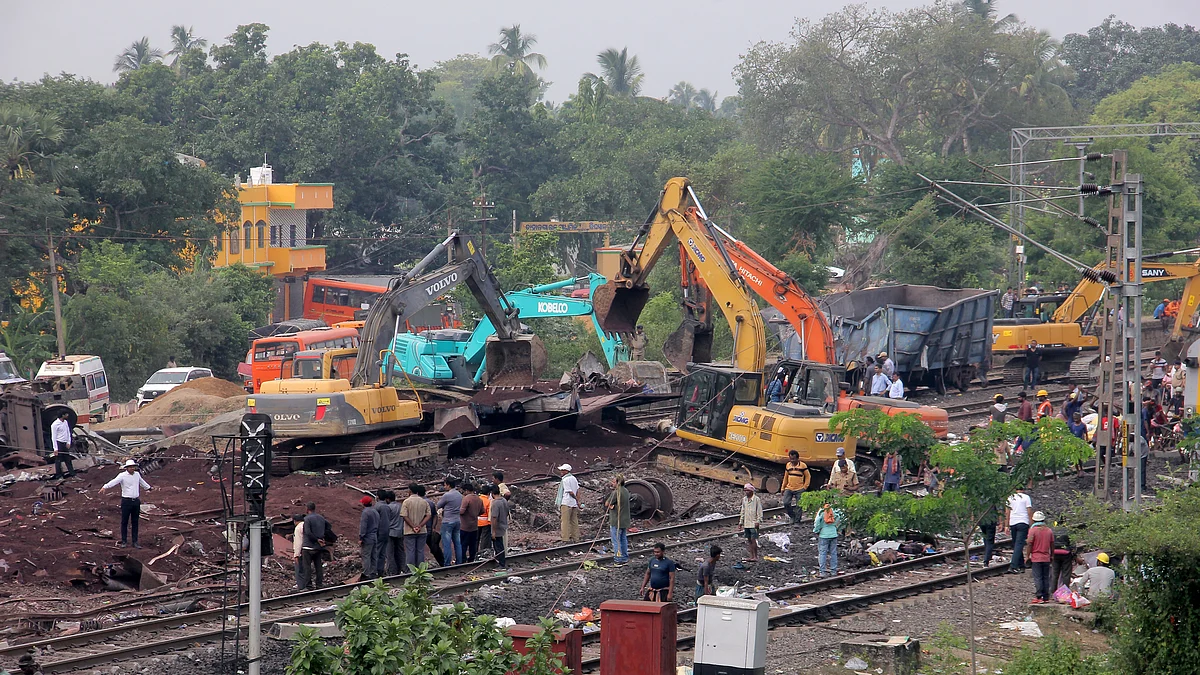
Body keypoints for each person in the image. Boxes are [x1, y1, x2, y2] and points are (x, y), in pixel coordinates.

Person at [99, 459, 151, 548]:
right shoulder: (122, 476)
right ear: (126, 468)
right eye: (130, 467)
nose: (132, 469)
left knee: (135, 522)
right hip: (126, 501)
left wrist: (149, 488)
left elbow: (142, 483)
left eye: (133, 467)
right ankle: (124, 541)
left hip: (136, 501)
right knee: (124, 522)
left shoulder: (137, 475)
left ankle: (135, 542)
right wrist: (105, 486)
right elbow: (114, 481)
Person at [401, 483, 432, 568]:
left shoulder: (406, 502)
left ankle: (410, 570)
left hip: (409, 531)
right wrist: (420, 526)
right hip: (422, 531)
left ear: (409, 491)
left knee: (410, 551)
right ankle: (421, 570)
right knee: (420, 551)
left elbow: (404, 515)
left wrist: (413, 526)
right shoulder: (424, 502)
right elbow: (428, 515)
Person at [1003, 488, 1033, 573]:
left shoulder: (1010, 497)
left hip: (1013, 523)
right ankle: (1013, 566)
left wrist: (1006, 525)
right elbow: (1029, 512)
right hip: (1023, 522)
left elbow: (1007, 512)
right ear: (1023, 489)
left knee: (1016, 544)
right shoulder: (1026, 497)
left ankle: (1021, 565)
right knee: (1019, 544)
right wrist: (1032, 524)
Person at [1026, 511, 1054, 603]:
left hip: (1036, 558)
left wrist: (1027, 556)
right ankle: (1046, 597)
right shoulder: (1049, 531)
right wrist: (1052, 555)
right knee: (1046, 577)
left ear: (1034, 520)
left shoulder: (1032, 530)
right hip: (1046, 557)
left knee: (1038, 577)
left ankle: (1039, 597)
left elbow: (1029, 544)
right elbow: (1052, 544)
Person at [299, 501, 329, 589]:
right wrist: (322, 538)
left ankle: (309, 586)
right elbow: (328, 527)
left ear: (307, 509)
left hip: (308, 547)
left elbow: (308, 532)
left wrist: (316, 539)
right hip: (318, 547)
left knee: (307, 567)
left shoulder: (307, 519)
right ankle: (319, 584)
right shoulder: (321, 518)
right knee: (318, 566)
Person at [605, 474, 631, 564]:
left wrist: (611, 506)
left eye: (613, 482)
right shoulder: (626, 491)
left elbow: (607, 503)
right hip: (625, 520)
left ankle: (618, 559)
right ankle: (624, 557)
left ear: (618, 482)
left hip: (617, 521)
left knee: (616, 541)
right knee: (623, 539)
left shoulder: (616, 492)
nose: (612, 483)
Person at [437, 477, 464, 565]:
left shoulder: (447, 495)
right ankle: (459, 562)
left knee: (447, 544)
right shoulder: (460, 495)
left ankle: (447, 564)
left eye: (445, 485)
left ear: (448, 485)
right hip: (457, 520)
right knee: (458, 543)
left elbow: (438, 505)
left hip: (448, 521)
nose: (444, 487)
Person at [780, 450, 810, 523]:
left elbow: (808, 476)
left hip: (799, 488)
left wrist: (805, 487)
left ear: (797, 458)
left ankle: (797, 521)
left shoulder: (803, 466)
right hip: (789, 488)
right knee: (786, 502)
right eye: (791, 459)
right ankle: (792, 516)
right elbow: (785, 477)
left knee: (799, 505)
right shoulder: (788, 465)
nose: (792, 461)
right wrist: (783, 487)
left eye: (793, 459)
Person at [814, 502, 842, 577]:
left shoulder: (821, 511)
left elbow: (817, 522)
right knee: (833, 553)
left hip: (824, 535)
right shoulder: (835, 510)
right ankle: (833, 571)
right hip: (833, 534)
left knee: (822, 553)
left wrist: (816, 530)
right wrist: (836, 528)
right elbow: (840, 518)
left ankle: (822, 572)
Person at [459, 481, 484, 563]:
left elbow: (462, 511)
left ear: (466, 490)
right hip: (474, 526)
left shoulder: (466, 499)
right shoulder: (479, 499)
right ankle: (471, 559)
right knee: (473, 545)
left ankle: (463, 560)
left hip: (465, 526)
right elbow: (482, 511)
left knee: (463, 544)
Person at [738, 484, 763, 565]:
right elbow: (743, 511)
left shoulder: (756, 499)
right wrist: (741, 522)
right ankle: (751, 556)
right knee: (749, 540)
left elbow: (759, 511)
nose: (746, 492)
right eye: (745, 490)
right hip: (746, 523)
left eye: (748, 490)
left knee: (753, 540)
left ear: (752, 491)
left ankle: (755, 556)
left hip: (753, 523)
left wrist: (758, 521)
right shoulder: (744, 499)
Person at [555, 464, 581, 543]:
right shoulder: (574, 478)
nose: (561, 472)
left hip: (566, 503)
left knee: (565, 521)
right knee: (574, 521)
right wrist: (578, 502)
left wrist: (576, 499)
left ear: (567, 471)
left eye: (562, 470)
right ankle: (576, 538)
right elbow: (578, 491)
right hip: (573, 504)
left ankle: (565, 538)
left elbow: (570, 492)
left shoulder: (565, 480)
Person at [488, 484, 510, 569]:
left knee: (498, 546)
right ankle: (500, 561)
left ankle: (501, 564)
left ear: (492, 493)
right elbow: (507, 512)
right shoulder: (504, 500)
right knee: (500, 545)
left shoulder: (495, 503)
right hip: (503, 526)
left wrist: (493, 532)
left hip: (497, 528)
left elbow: (494, 518)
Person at [49, 410, 76, 480]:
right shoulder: (55, 424)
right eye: (66, 414)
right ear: (62, 415)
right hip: (59, 443)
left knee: (68, 459)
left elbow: (68, 432)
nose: (67, 415)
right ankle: (59, 476)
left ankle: (73, 474)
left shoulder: (65, 422)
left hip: (65, 443)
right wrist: (55, 448)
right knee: (58, 460)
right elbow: (53, 437)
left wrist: (68, 442)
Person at [1050, 520, 1075, 593]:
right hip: (1066, 554)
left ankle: (1052, 591)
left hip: (1055, 553)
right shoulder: (1068, 531)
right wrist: (1074, 555)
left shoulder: (1052, 531)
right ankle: (1065, 592)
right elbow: (1072, 544)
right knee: (1066, 574)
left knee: (1054, 573)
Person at [358, 495, 380, 579]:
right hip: (374, 536)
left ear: (364, 504)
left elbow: (363, 526)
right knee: (374, 555)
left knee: (366, 555)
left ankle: (366, 574)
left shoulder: (365, 513)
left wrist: (361, 537)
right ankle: (373, 572)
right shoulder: (375, 511)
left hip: (368, 537)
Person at [423, 487, 444, 566]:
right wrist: (433, 527)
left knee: (418, 549)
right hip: (430, 529)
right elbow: (435, 515)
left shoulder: (419, 503)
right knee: (435, 548)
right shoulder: (430, 502)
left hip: (421, 530)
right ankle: (442, 563)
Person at [385, 491, 404, 575]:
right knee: (400, 551)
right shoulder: (400, 506)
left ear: (388, 499)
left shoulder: (388, 508)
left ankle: (392, 571)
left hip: (390, 532)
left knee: (390, 553)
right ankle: (403, 568)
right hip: (400, 531)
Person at [374, 490, 391, 576]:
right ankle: (380, 570)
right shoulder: (386, 507)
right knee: (382, 553)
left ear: (378, 496)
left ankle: (376, 571)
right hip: (385, 532)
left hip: (379, 533)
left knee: (377, 552)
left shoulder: (378, 506)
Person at [477, 486, 493, 556]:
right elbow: (489, 513)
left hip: (476, 522)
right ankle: (482, 553)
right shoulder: (488, 501)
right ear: (488, 493)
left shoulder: (477, 499)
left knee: (476, 539)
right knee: (484, 539)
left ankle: (475, 552)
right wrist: (490, 523)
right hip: (485, 523)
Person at [291, 514, 305, 590]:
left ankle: (301, 586)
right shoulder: (307, 525)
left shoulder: (298, 528)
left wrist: (296, 554)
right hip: (309, 550)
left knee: (299, 569)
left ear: (295, 521)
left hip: (301, 551)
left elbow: (298, 542)